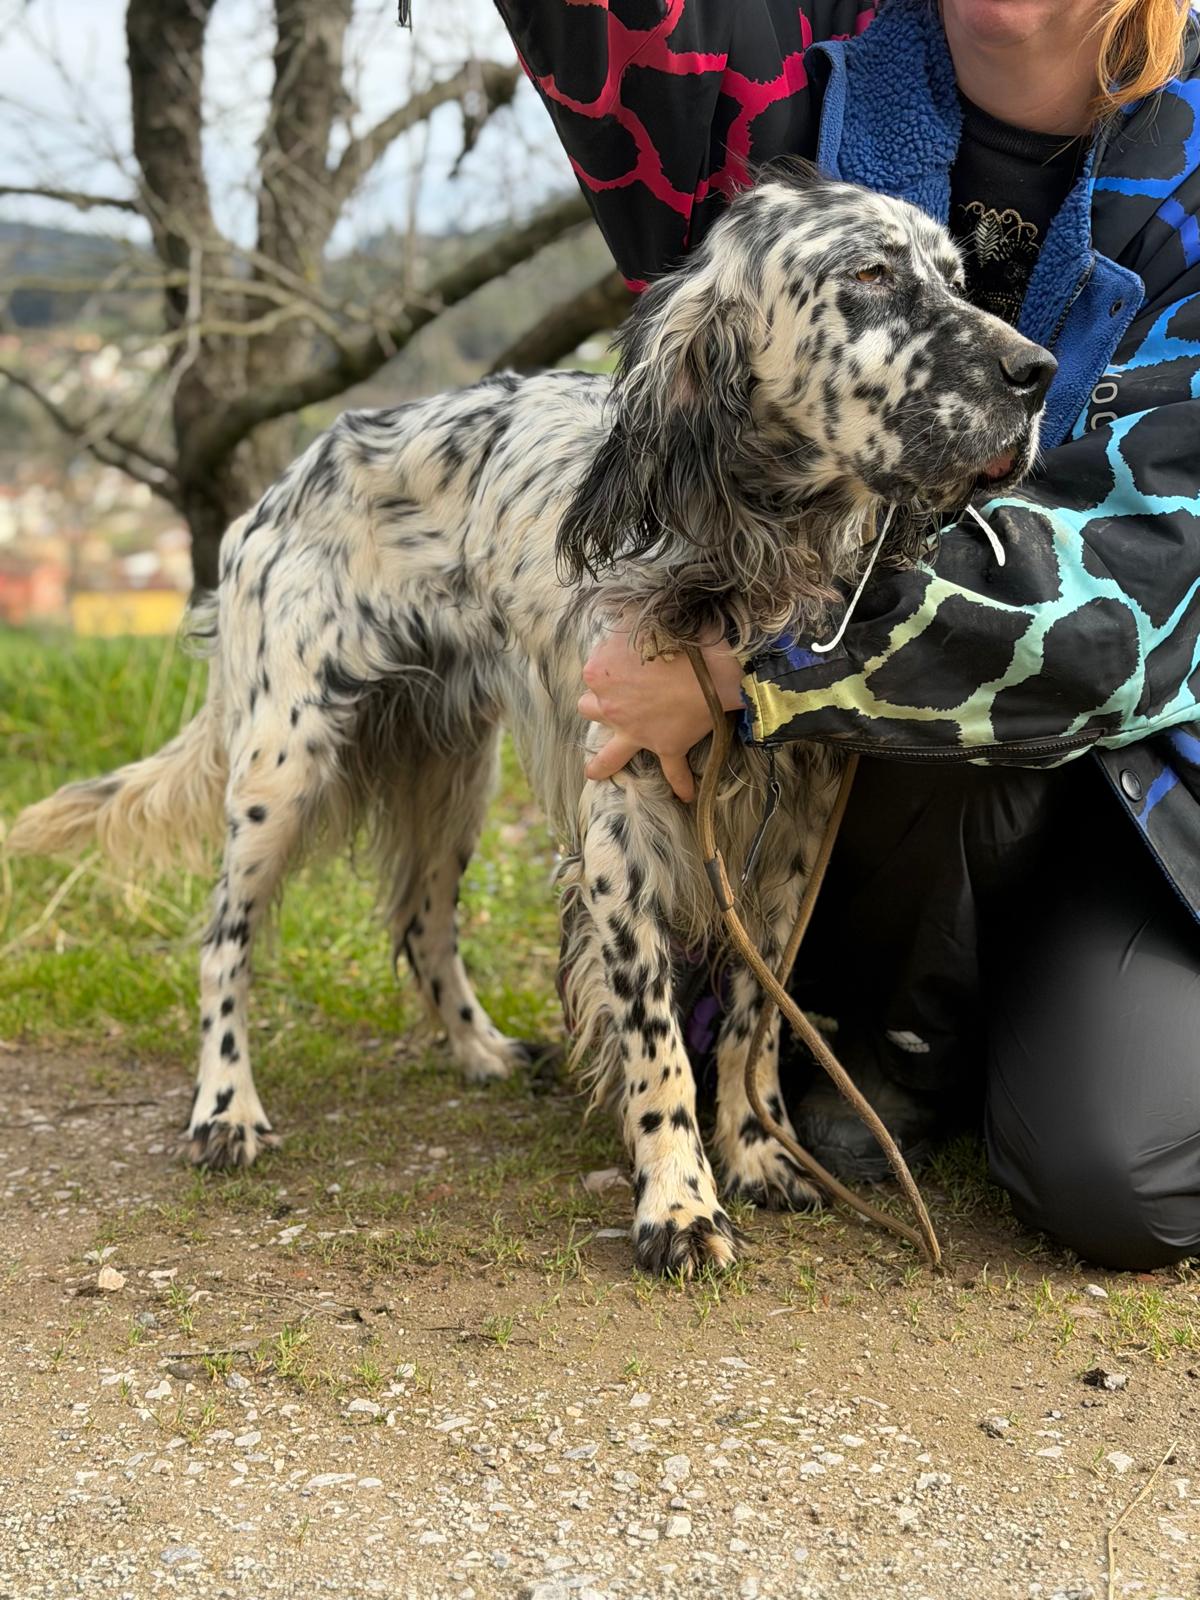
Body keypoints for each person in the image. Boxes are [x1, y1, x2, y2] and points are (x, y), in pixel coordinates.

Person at [493, 0, 1200, 1270]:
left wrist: (735, 666)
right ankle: (874, 1038)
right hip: (885, 781)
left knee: (1121, 1176)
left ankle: (984, 1027)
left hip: (1138, 789)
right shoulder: (800, 99)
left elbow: (1139, 599)